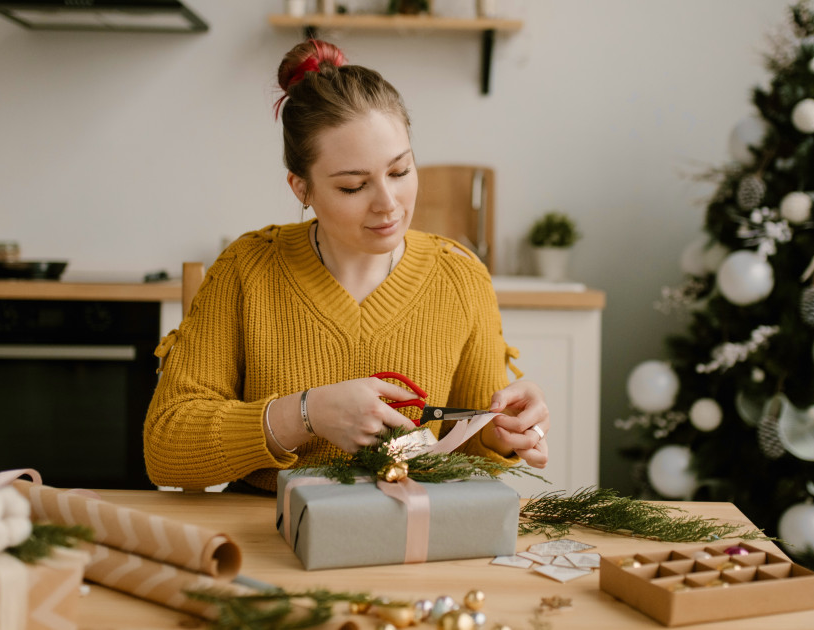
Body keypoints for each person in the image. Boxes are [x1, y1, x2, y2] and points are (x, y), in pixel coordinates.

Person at [144, 39, 550, 493]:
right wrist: (307, 413)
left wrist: (503, 433)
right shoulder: (246, 269)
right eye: (354, 187)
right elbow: (166, 447)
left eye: (399, 172)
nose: (388, 205)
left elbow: (469, 449)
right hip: (267, 537)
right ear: (302, 189)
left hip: (408, 536)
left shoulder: (460, 277)